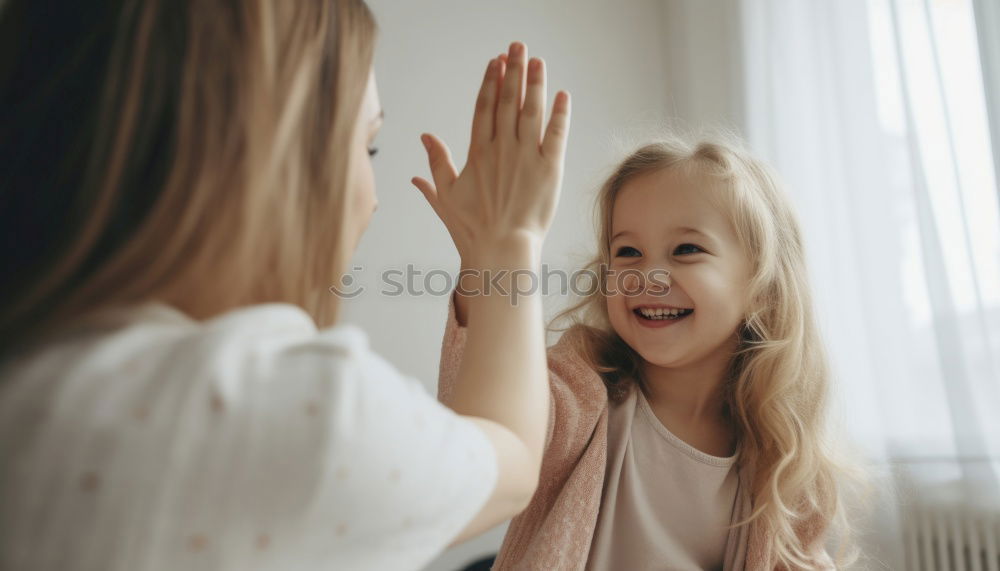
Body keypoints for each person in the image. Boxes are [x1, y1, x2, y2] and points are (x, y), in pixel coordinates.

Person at [0, 1, 570, 570]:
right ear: (262, 159)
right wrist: (511, 239)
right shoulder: (289, 415)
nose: (372, 197)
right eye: (366, 146)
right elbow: (513, 458)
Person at [434, 136, 865, 570]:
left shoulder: (782, 460)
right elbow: (481, 437)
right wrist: (484, 261)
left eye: (686, 250)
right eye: (628, 252)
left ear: (763, 288)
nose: (648, 277)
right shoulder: (583, 386)